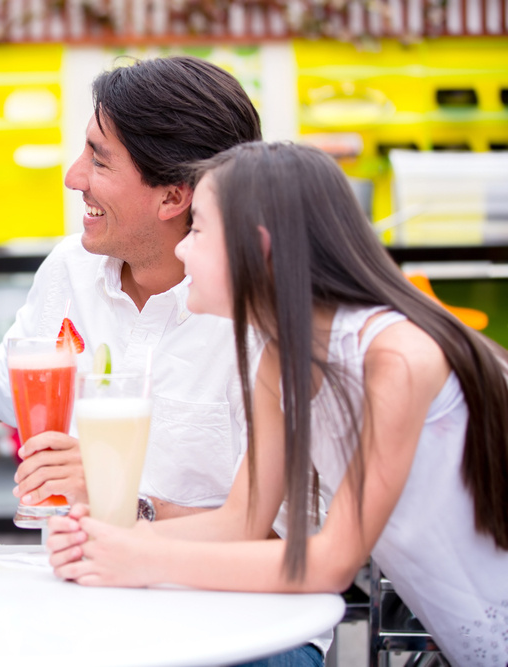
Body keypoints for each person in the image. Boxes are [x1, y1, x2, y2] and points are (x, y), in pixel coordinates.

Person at [48, 142, 508, 667]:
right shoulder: (279, 357)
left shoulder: (396, 358)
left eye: (196, 230)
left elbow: (332, 562)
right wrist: (104, 538)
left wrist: (140, 556)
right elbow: (240, 522)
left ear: (259, 248)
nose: (181, 250)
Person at [0, 56, 263, 523]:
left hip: (197, 595)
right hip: (70, 586)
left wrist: (121, 502)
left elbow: (286, 534)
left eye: (99, 159)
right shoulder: (70, 269)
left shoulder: (256, 322)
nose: (73, 177)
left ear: (173, 197)